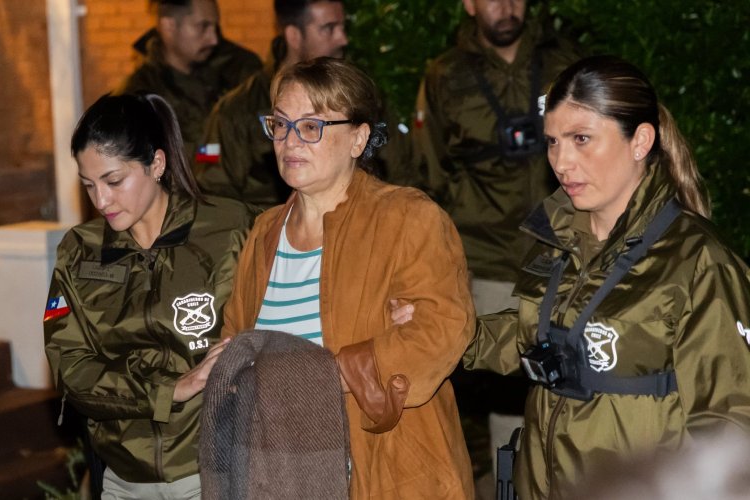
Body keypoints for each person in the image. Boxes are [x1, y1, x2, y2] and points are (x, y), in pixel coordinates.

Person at [463, 55, 750, 499]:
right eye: (553, 141)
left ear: (640, 141)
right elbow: (527, 335)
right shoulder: (559, 240)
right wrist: (439, 331)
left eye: (581, 139)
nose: (561, 161)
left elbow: (729, 424)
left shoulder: (698, 261)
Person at [219, 57, 476, 498]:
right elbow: (235, 346)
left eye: (311, 126)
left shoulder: (409, 219)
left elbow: (439, 333)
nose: (290, 141)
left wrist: (316, 377)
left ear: (358, 138)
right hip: (282, 474)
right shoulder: (263, 233)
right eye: (280, 125)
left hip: (387, 474)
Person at [43, 93, 256, 499]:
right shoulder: (79, 251)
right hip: (124, 479)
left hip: (212, 471)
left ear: (157, 164)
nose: (101, 200)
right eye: (88, 186)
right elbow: (72, 370)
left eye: (113, 181)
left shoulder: (230, 230)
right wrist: (170, 390)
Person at [413, 0, 581, 464]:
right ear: (468, 5)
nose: (505, 7)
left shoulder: (564, 62)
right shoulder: (445, 75)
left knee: (574, 384)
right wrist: (442, 262)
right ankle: (514, 484)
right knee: (508, 391)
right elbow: (429, 172)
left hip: (563, 255)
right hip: (486, 258)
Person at [193, 0, 348, 208]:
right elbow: (211, 196)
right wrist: (269, 224)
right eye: (328, 28)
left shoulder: (356, 97)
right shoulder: (234, 111)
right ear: (294, 36)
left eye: (343, 27)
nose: (342, 39)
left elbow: (391, 170)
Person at [116, 0, 261, 157]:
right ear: (169, 26)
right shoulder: (138, 96)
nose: (213, 39)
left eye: (215, 27)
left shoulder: (239, 69)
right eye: (203, 26)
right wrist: (213, 155)